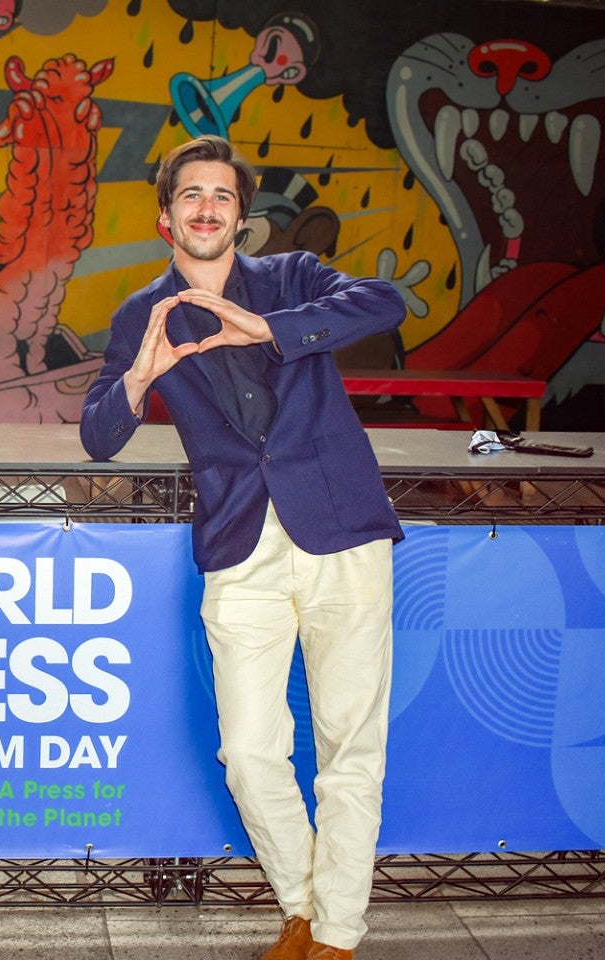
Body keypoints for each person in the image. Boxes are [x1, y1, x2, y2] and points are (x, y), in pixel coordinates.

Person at [80, 135, 405, 960]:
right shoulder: (139, 315)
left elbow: (388, 301)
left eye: (221, 196)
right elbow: (98, 437)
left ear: (240, 215)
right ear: (166, 217)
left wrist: (268, 325)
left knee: (348, 747)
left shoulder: (293, 280)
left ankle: (335, 935)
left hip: (341, 530)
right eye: (191, 195)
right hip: (239, 546)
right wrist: (137, 377)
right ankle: (302, 902)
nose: (206, 207)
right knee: (250, 751)